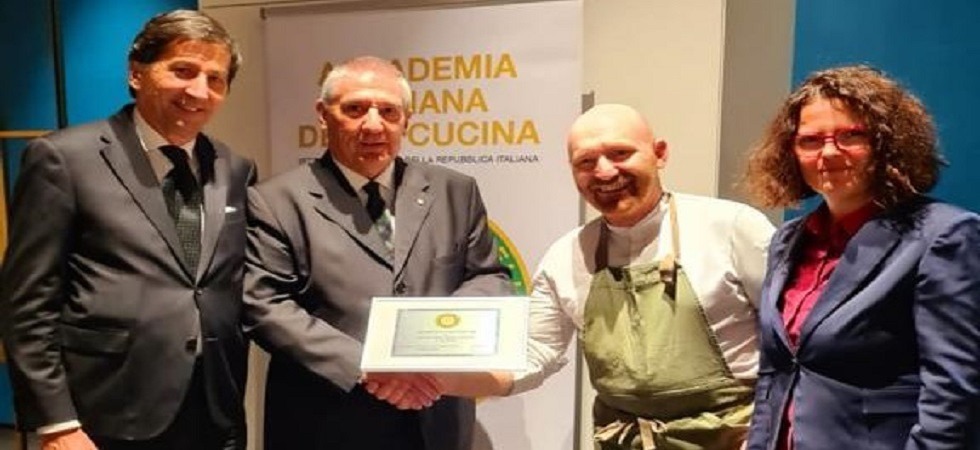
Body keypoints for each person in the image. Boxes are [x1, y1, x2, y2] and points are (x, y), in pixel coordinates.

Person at [431, 103, 775, 449]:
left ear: (659, 154)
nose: (605, 172)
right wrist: (438, 380)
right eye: (586, 162)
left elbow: (790, 340)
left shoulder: (732, 228)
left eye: (620, 153)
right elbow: (534, 353)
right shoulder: (567, 255)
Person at [0, 9, 253, 450]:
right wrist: (56, 422)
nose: (199, 90)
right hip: (106, 414)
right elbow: (27, 302)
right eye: (183, 71)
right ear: (137, 73)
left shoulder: (235, 168)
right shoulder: (64, 158)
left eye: (215, 79)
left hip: (215, 408)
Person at [243, 55, 512, 450]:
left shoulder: (455, 191)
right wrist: (368, 366)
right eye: (355, 109)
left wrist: (437, 342)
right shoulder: (275, 201)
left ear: (407, 120)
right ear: (323, 115)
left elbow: (488, 276)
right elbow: (264, 305)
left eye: (388, 111)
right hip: (327, 423)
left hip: (435, 415)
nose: (373, 125)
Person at [742, 65, 980, 449]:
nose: (828, 152)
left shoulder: (944, 234)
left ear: (887, 142)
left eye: (851, 135)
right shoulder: (788, 240)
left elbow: (953, 391)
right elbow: (774, 375)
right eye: (810, 140)